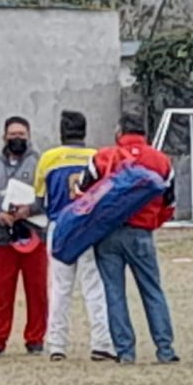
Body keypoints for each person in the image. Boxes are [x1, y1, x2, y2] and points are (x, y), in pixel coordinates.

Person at [85, 115, 179, 364]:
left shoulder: (103, 157)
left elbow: (85, 194)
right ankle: (165, 349)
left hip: (107, 234)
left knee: (114, 293)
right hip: (141, 233)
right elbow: (169, 203)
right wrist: (152, 223)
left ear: (119, 132)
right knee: (152, 290)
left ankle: (125, 351)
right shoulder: (161, 161)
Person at [35, 110, 114, 362]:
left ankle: (56, 344)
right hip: (88, 226)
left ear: (61, 130)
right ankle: (101, 342)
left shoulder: (48, 158)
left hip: (60, 225)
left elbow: (39, 200)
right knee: (94, 286)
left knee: (60, 288)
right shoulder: (97, 156)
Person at [0, 116, 47, 356]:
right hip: (3, 238)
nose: (17, 138)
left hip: (34, 237)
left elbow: (49, 197)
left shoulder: (41, 164)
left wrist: (29, 210)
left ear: (29, 136)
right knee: (1, 291)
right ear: (4, 136)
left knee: (37, 290)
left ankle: (35, 338)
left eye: (21, 134)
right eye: (12, 134)